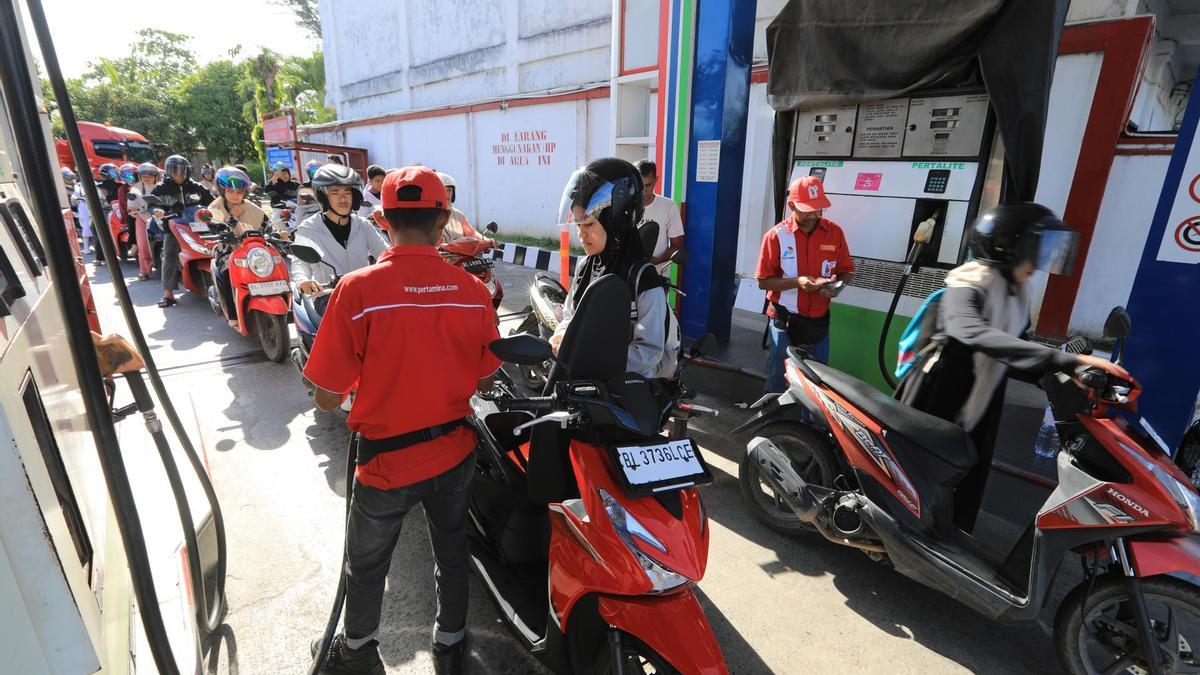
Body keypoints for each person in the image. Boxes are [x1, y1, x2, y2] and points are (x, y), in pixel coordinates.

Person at [303, 165, 500, 675]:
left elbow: (326, 398)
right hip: (455, 453)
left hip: (386, 466)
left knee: (367, 567)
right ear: (442, 223)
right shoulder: (473, 292)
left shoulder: (357, 290)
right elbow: (482, 378)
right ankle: (452, 642)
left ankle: (359, 654)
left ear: (384, 220)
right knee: (452, 551)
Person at [895, 203, 1129, 532]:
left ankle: (943, 537)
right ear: (1008, 248)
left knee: (965, 478)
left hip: (982, 398)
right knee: (919, 475)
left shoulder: (1015, 293)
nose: (1040, 264)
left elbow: (1015, 348)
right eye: (1036, 251)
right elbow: (972, 332)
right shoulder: (967, 283)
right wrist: (1065, 360)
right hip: (940, 395)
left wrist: (1064, 376)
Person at [550, 157, 675, 379]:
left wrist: (593, 359)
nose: (581, 233)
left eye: (588, 224)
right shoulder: (586, 266)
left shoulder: (642, 279)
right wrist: (562, 336)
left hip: (629, 388)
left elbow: (649, 352)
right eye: (578, 224)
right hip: (587, 379)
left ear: (616, 221)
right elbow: (570, 314)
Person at [756, 175, 855, 393]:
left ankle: (808, 426)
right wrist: (798, 283)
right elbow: (763, 282)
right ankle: (773, 425)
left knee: (818, 384)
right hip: (785, 322)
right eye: (807, 209)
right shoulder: (776, 236)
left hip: (818, 324)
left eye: (818, 208)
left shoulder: (834, 233)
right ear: (791, 205)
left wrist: (836, 287)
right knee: (777, 380)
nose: (813, 214)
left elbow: (846, 271)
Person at [291, 164, 389, 297]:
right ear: (323, 196)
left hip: (363, 294)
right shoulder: (309, 228)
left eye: (347, 193)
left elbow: (384, 253)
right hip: (327, 297)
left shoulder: (362, 225)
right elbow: (300, 263)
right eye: (335, 192)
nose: (343, 199)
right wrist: (303, 281)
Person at [206, 166, 278, 322]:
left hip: (255, 250)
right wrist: (233, 219)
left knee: (276, 264)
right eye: (230, 191)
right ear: (222, 191)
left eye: (239, 192)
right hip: (228, 251)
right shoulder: (215, 208)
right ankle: (233, 316)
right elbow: (215, 227)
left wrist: (277, 232)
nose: (235, 196)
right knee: (227, 271)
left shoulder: (253, 208)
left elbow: (267, 224)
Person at [155, 155, 213, 308]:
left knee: (217, 248)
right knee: (169, 255)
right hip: (174, 227)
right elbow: (153, 204)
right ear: (168, 171)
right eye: (175, 170)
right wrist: (158, 211)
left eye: (182, 170)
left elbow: (212, 202)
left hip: (199, 226)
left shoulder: (198, 187)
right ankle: (168, 294)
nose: (179, 173)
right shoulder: (161, 188)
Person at [635, 159, 685, 273]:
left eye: (648, 185)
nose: (644, 190)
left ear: (656, 180)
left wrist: (657, 260)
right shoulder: (625, 206)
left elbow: (676, 246)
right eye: (640, 186)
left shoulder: (669, 206)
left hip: (657, 277)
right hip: (628, 277)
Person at [434, 172, 497, 248]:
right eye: (443, 190)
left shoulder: (458, 215)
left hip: (462, 258)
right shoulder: (430, 215)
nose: (447, 194)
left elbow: (472, 233)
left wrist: (487, 240)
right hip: (438, 258)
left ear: (453, 193)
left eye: (449, 190)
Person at [126, 162, 161, 280]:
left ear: (155, 176)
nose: (147, 177)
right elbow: (133, 208)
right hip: (142, 219)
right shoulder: (135, 189)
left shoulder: (161, 187)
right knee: (144, 245)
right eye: (144, 175)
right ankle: (144, 271)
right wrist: (143, 217)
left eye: (150, 175)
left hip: (161, 218)